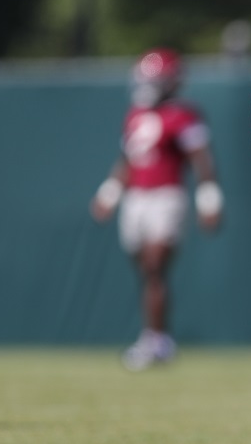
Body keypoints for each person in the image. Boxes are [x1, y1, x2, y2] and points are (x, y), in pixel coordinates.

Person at [91, 48, 223, 371]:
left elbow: (201, 158)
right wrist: (109, 192)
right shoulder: (135, 115)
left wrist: (208, 197)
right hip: (135, 198)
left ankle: (157, 340)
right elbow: (127, 160)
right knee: (146, 271)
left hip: (166, 196)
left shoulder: (183, 116)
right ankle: (154, 336)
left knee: (155, 267)